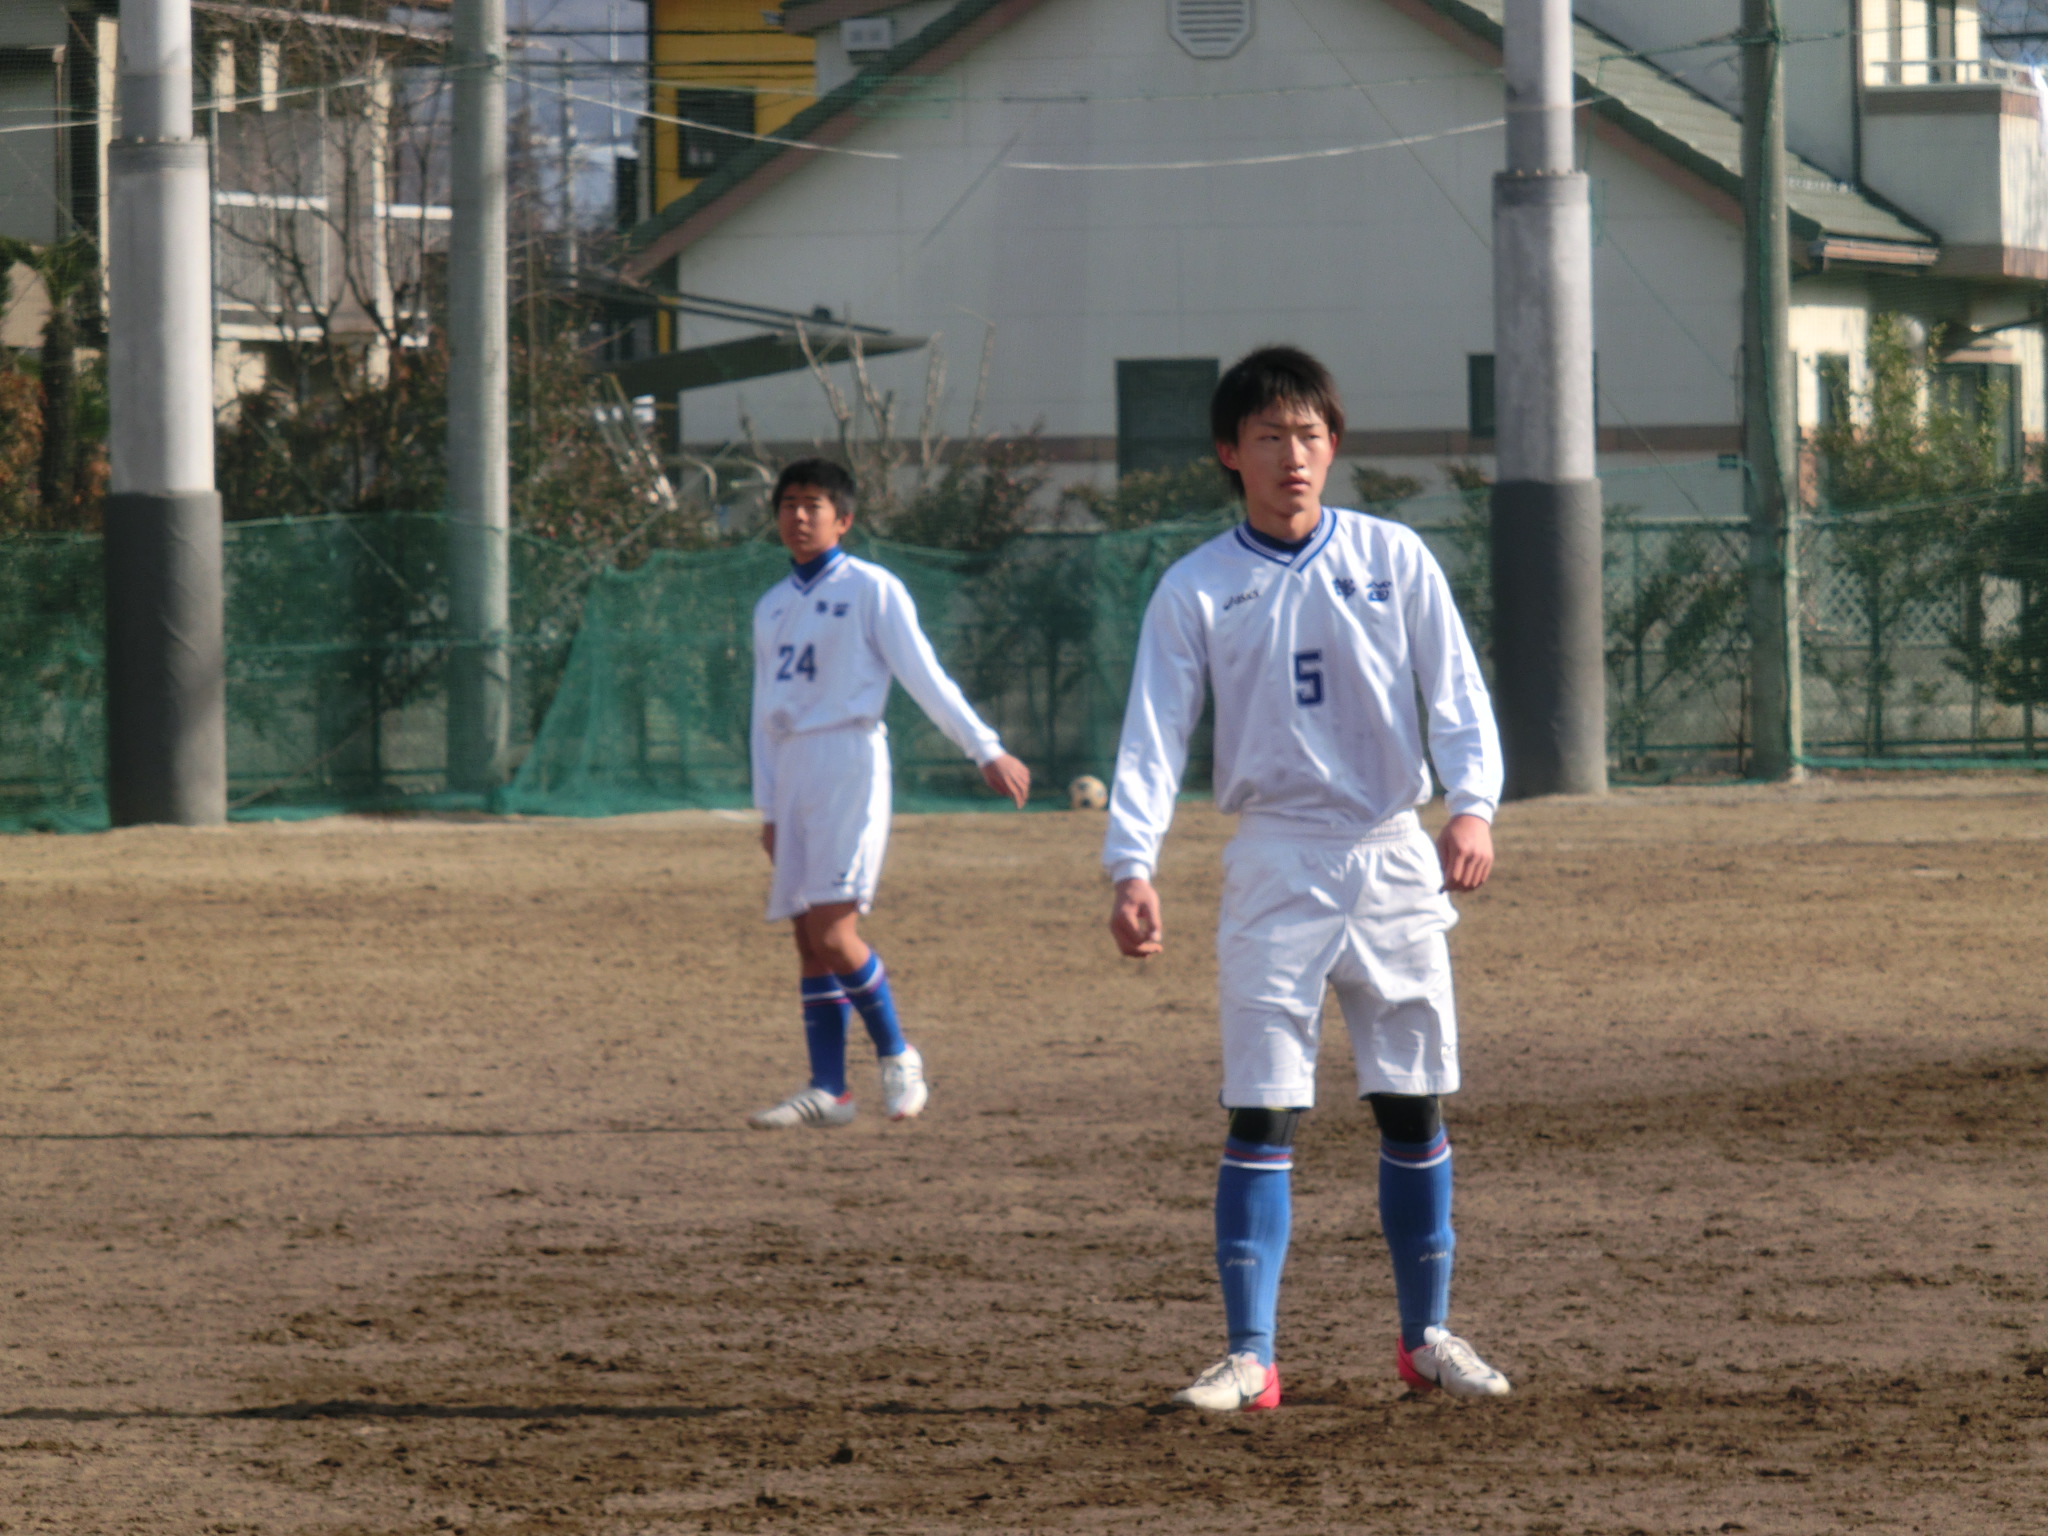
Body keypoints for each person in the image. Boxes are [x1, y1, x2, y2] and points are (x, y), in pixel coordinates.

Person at [1102, 347, 1510, 1408]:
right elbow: (1152, 737)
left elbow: (1455, 692)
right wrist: (1128, 864)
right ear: (1228, 453)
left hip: (1388, 849)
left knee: (1410, 1107)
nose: (1295, 456)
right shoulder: (1195, 586)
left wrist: (1470, 805)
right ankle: (1251, 1355)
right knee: (1261, 1109)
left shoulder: (1393, 557)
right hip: (1273, 858)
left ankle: (1423, 1338)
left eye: (1312, 434)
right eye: (1272, 437)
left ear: (1334, 444)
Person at [749, 458, 1031, 1130]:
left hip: (849, 760)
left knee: (834, 930)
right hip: (792, 769)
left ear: (843, 519)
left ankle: (899, 1054)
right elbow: (763, 709)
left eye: (813, 504)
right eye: (789, 504)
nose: (799, 515)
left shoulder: (873, 588)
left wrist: (984, 746)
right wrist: (766, 808)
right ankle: (829, 1090)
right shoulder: (771, 604)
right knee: (805, 936)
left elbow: (923, 674)